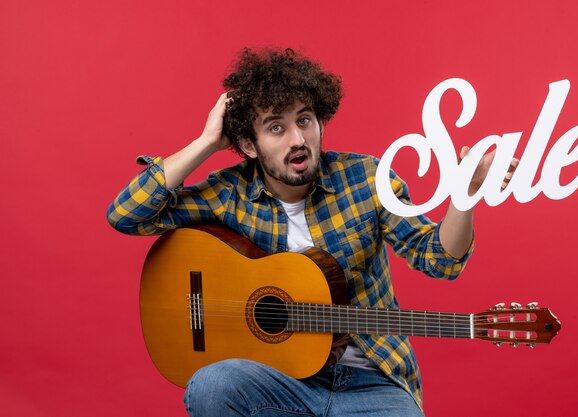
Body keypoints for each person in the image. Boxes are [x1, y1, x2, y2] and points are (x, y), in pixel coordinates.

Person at [107, 48, 517, 417]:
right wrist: (206, 143)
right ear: (249, 145)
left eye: (305, 120)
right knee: (212, 385)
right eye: (276, 128)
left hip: (372, 383)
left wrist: (465, 194)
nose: (298, 139)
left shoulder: (368, 179)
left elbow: (440, 261)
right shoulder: (228, 193)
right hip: (279, 383)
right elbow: (126, 215)